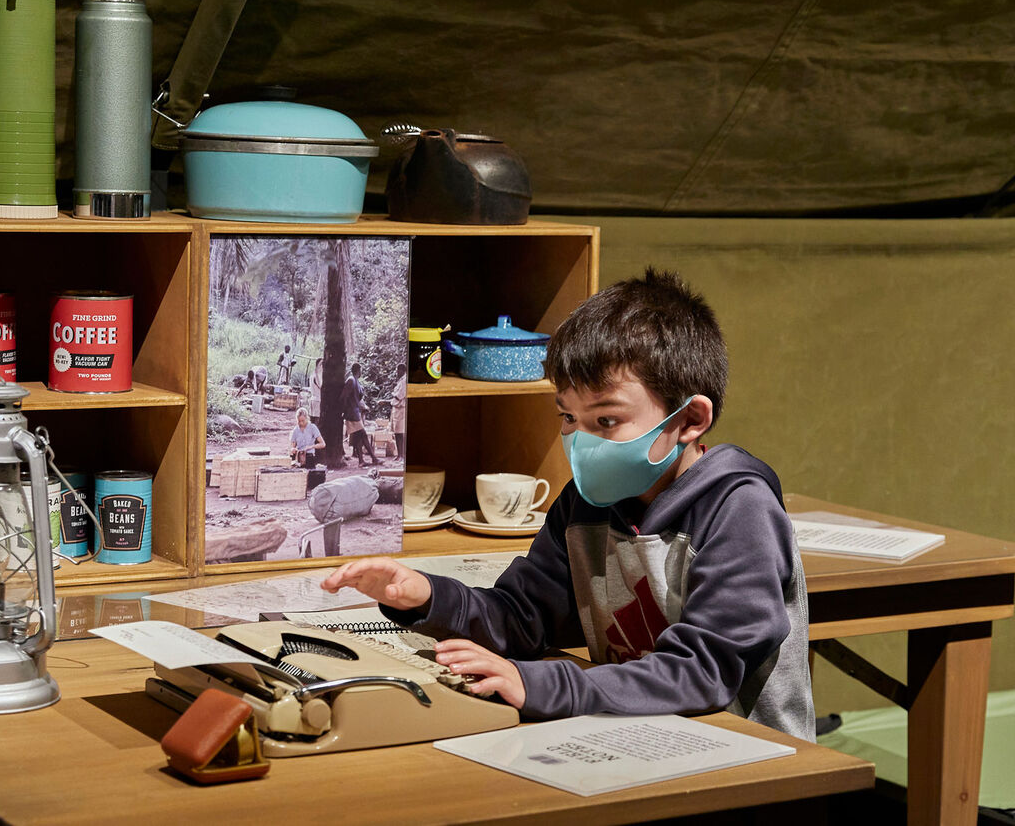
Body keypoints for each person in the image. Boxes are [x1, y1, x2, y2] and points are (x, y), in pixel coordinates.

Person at [321, 268, 815, 740]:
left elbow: (702, 671)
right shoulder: (584, 503)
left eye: (605, 421)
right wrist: (426, 596)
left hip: (748, 765)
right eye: (568, 417)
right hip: (637, 740)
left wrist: (539, 684)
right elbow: (520, 616)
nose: (580, 441)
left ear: (689, 421)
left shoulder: (738, 509)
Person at [341, 362, 377, 466]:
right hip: (352, 413)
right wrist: (344, 411)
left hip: (355, 411)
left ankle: (361, 461)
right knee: (363, 435)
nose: (361, 372)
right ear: (358, 370)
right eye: (361, 370)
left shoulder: (355, 381)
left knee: (358, 437)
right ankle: (373, 458)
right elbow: (344, 397)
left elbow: (357, 397)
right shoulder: (351, 381)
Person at [390, 361, 407, 460]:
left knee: (400, 432)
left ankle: (401, 455)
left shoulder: (405, 381)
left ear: (402, 370)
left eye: (398, 370)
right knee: (397, 432)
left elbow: (399, 395)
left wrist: (392, 397)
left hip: (401, 409)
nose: (397, 372)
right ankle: (399, 454)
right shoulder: (400, 380)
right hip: (396, 408)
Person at [308, 358, 324, 428]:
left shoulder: (312, 374)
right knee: (317, 421)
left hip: (313, 399)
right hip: (318, 400)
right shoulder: (318, 375)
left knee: (312, 421)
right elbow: (321, 386)